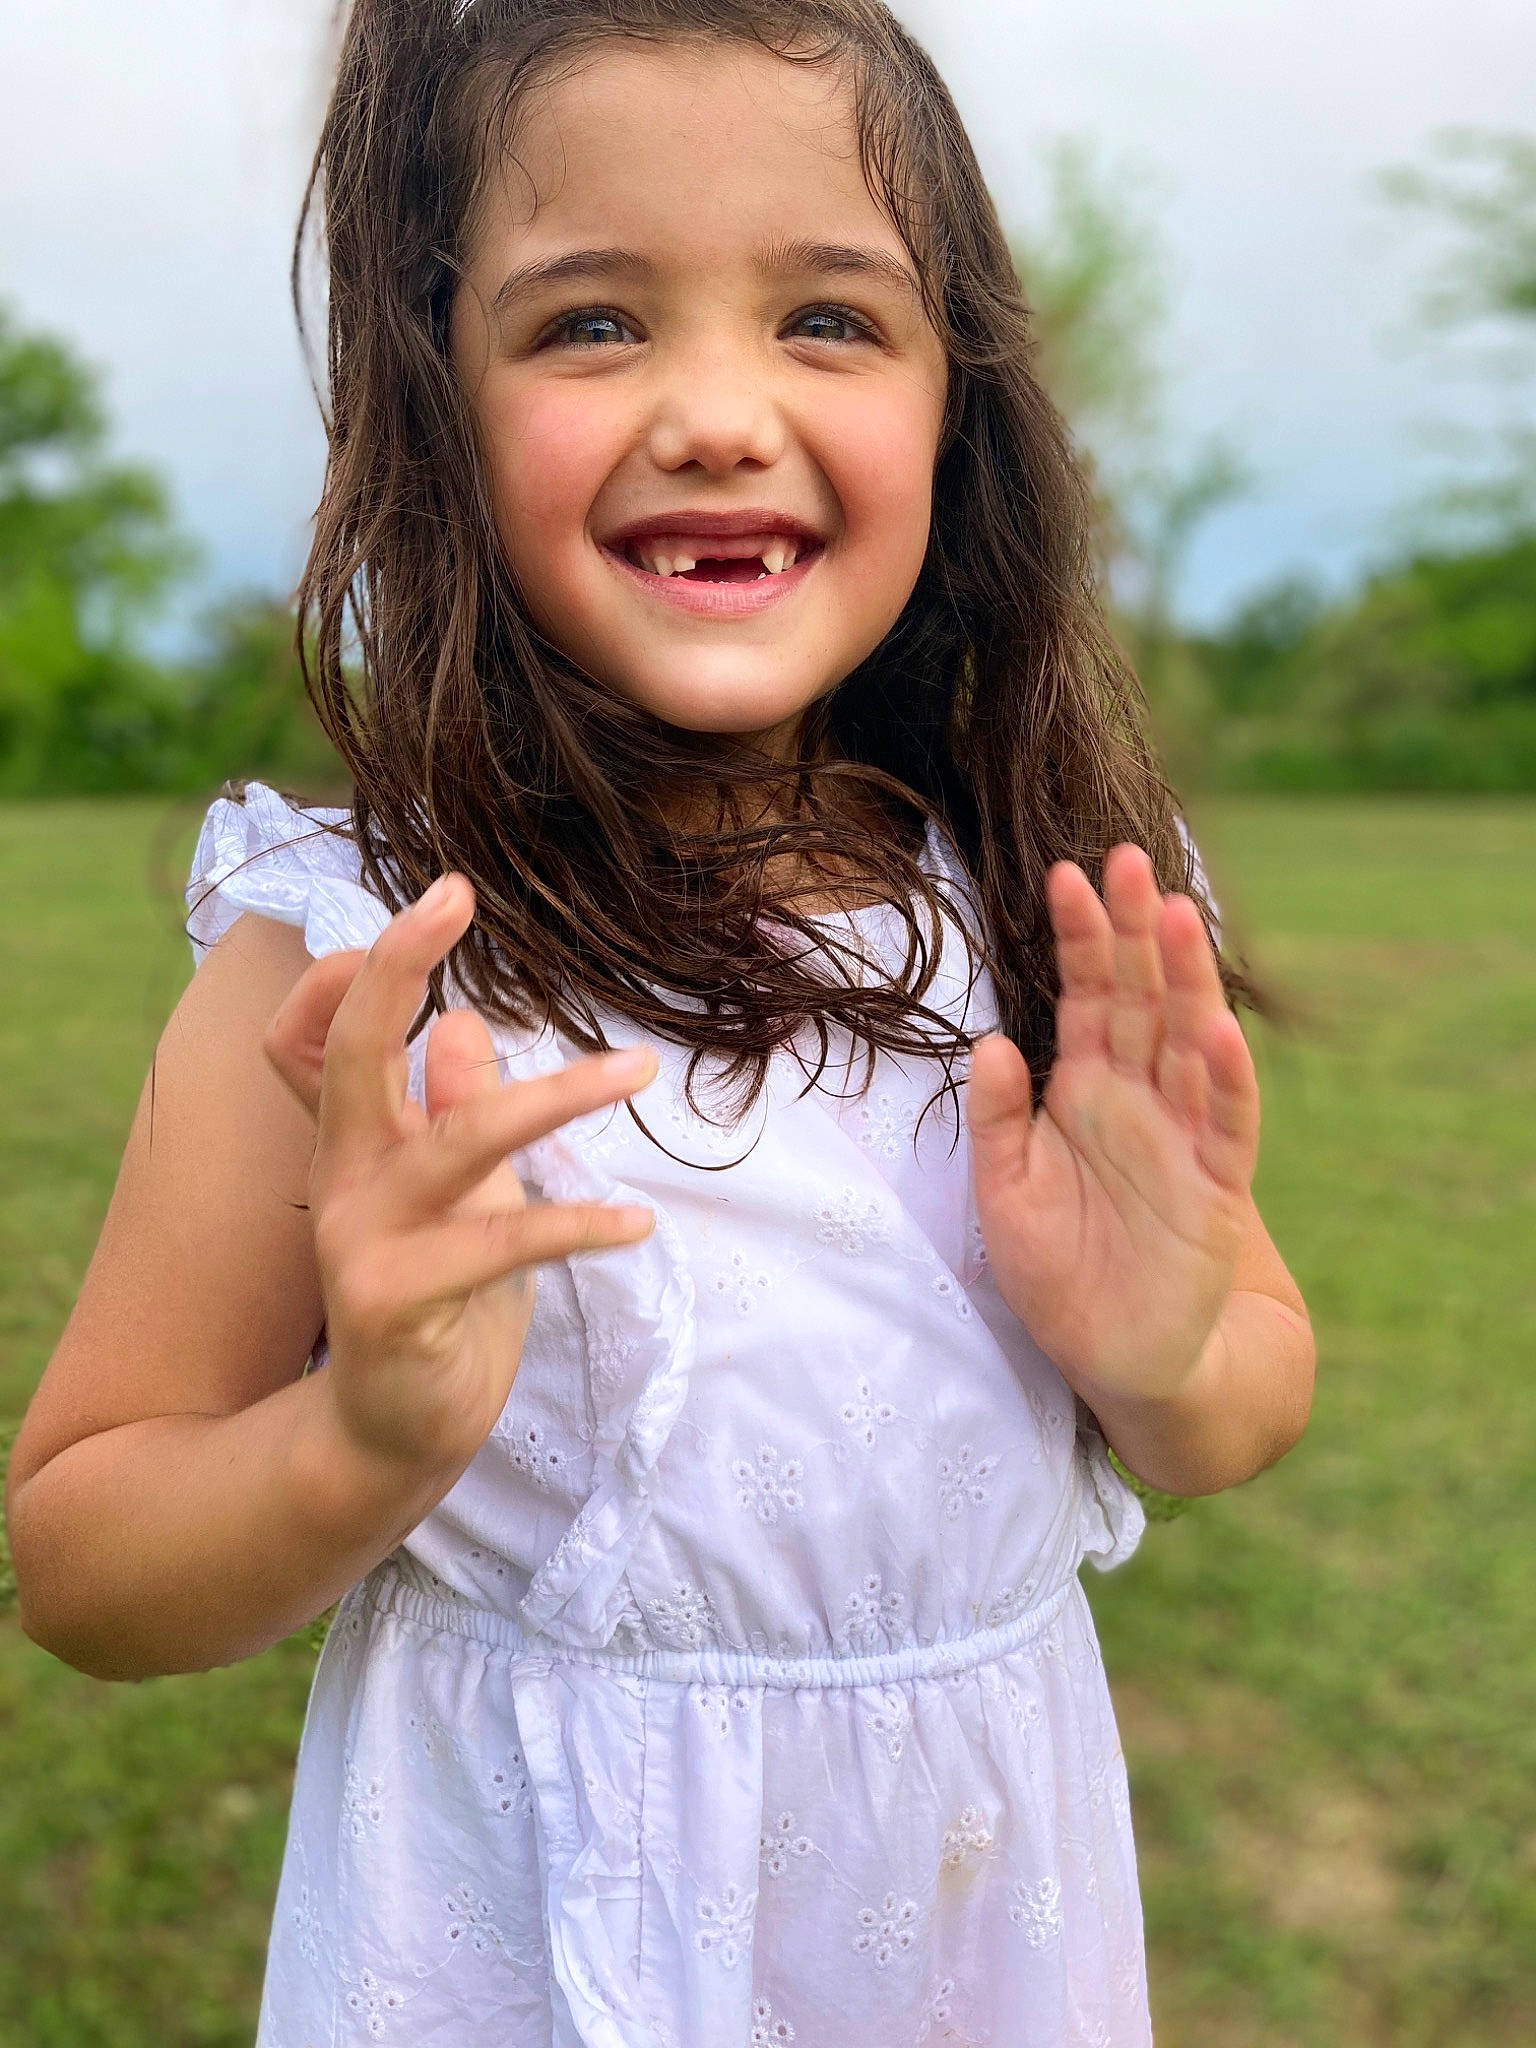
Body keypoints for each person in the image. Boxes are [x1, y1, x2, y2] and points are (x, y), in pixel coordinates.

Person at [4, 1, 1315, 2040]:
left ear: (960, 398)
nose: (717, 412)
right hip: (523, 1942)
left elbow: (1244, 1386)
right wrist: (359, 1437)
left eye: (827, 322)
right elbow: (84, 1556)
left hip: (978, 1938)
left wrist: (1159, 1352)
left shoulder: (1049, 902)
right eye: (594, 323)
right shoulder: (357, 954)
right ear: (433, 398)